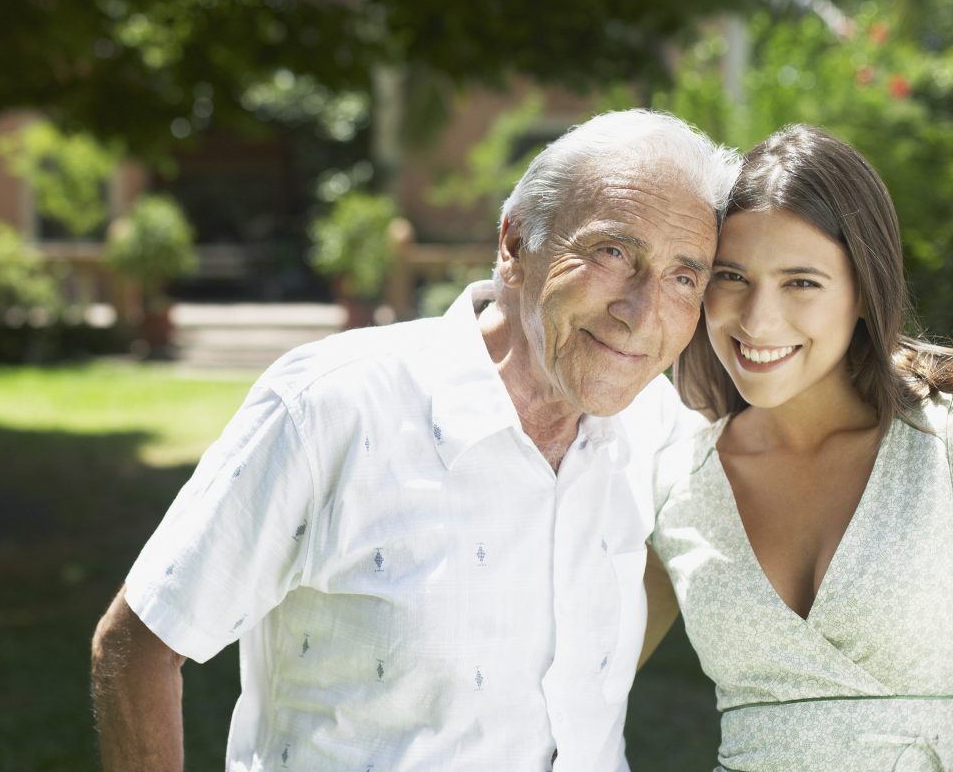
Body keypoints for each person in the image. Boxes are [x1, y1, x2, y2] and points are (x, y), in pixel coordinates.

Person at [90, 109, 740, 772]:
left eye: (684, 277)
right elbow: (139, 645)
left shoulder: (656, 427)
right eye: (613, 253)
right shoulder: (335, 405)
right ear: (514, 246)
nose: (641, 312)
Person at [647, 124, 953, 771]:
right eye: (732, 276)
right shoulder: (671, 485)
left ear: (864, 293)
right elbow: (573, 682)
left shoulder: (941, 450)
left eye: (801, 282)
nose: (758, 320)